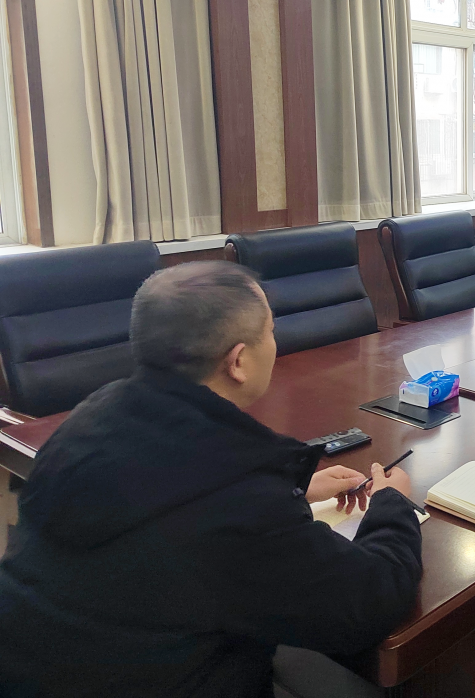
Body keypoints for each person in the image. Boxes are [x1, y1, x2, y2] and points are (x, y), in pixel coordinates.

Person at [0, 262, 424, 698]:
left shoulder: (90, 417)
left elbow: (166, 519)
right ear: (238, 361)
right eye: (271, 332)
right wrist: (392, 503)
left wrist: (293, 490)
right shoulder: (241, 499)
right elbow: (371, 601)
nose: (275, 343)